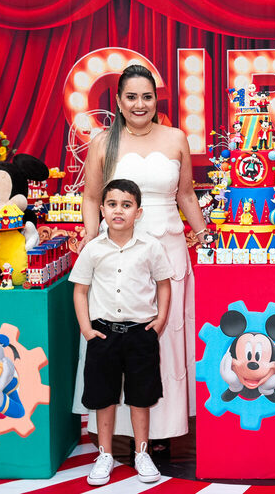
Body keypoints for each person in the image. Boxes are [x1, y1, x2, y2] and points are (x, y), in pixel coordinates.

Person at [74, 63, 211, 459]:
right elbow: (91, 197)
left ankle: (163, 427)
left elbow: (186, 195)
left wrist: (205, 236)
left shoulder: (176, 138)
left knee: (160, 336)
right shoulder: (104, 142)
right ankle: (116, 429)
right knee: (116, 335)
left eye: (147, 97)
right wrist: (91, 239)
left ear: (156, 101)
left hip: (168, 247)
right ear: (118, 101)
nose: (139, 104)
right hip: (117, 250)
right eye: (131, 97)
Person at [72, 179, 174, 485]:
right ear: (102, 210)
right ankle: (105, 455)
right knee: (103, 397)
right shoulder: (93, 249)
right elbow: (80, 290)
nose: (119, 211)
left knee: (141, 397)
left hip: (141, 334)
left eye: (126, 205)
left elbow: (163, 284)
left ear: (138, 212)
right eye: (112, 204)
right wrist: (87, 329)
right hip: (103, 334)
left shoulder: (151, 247)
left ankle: (142, 453)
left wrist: (160, 320)